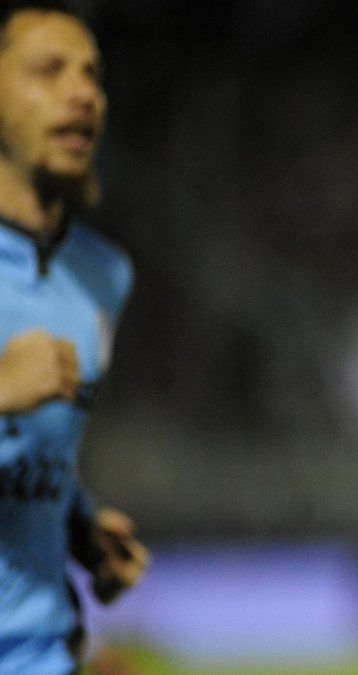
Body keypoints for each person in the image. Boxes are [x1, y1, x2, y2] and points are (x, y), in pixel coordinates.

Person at [0, 1, 148, 671]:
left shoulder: (101, 276)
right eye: (49, 70)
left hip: (42, 650)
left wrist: (79, 525)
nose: (83, 93)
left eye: (92, 74)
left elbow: (36, 451)